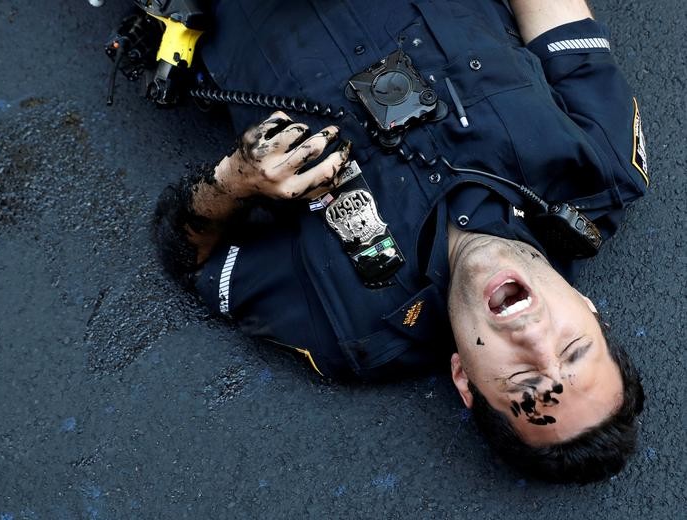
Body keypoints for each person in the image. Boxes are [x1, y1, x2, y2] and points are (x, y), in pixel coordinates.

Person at [153, 0, 647, 483]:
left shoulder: (345, 326)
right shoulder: (602, 169)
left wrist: (233, 180)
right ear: (589, 309)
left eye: (525, 382)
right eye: (574, 348)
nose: (534, 337)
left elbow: (190, 256)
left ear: (464, 381)